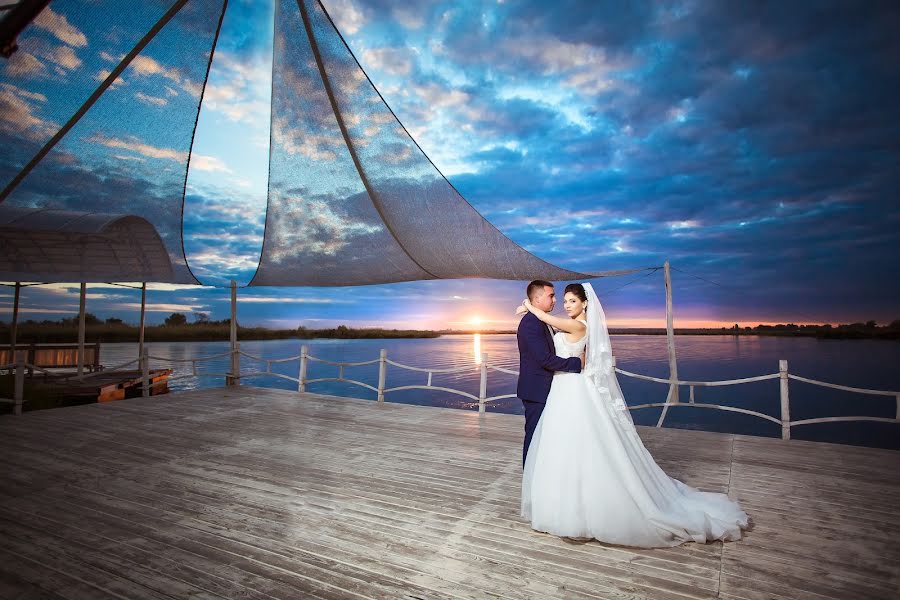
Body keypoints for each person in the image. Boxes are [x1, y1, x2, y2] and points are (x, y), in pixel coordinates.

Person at [517, 282, 748, 548]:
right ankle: (549, 493)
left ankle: (571, 501)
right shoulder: (551, 323)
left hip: (570, 387)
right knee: (556, 443)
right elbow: (546, 349)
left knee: (574, 443)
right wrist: (531, 311)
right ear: (538, 299)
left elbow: (549, 325)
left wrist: (529, 308)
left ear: (584, 304)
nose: (562, 303)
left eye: (570, 301)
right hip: (558, 387)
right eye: (558, 298)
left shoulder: (576, 325)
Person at [516, 280, 583, 467]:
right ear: (537, 299)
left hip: (546, 388)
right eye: (551, 296)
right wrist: (577, 363)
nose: (555, 300)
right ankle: (529, 479)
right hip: (536, 390)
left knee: (545, 437)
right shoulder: (531, 323)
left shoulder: (542, 320)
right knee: (534, 435)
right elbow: (544, 359)